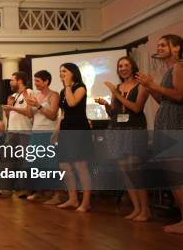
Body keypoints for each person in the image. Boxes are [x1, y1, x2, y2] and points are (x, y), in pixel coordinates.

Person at [137, 34, 183, 234]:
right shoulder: (171, 69)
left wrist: (154, 85)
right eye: (158, 45)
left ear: (177, 47)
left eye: (164, 45)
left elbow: (180, 95)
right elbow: (164, 101)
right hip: (168, 124)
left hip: (175, 126)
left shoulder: (179, 67)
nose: (160, 48)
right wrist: (150, 88)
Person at [97, 56, 150, 221]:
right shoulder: (118, 86)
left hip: (134, 129)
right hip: (117, 130)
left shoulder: (142, 85)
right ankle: (136, 209)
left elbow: (136, 108)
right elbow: (114, 112)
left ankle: (145, 210)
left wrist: (115, 93)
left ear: (133, 67)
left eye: (126, 65)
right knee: (125, 171)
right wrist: (107, 106)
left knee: (135, 170)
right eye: (120, 66)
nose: (123, 68)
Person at [55, 63, 93, 212]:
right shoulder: (64, 90)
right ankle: (72, 199)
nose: (61, 74)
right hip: (65, 130)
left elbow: (71, 103)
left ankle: (86, 202)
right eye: (60, 71)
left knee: (80, 165)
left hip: (79, 130)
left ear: (73, 72)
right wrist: (56, 131)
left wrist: (68, 85)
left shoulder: (80, 87)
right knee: (64, 165)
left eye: (64, 71)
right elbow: (63, 113)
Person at [25, 70, 60, 203]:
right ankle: (39, 191)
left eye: (38, 81)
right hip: (36, 132)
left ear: (46, 81)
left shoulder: (54, 95)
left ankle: (56, 195)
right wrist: (29, 103)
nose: (36, 83)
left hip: (48, 133)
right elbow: (29, 115)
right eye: (35, 81)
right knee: (35, 164)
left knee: (50, 164)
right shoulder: (36, 95)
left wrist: (38, 105)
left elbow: (52, 115)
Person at [1, 71, 33, 198]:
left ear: (20, 81)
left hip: (24, 132)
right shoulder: (13, 95)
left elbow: (29, 113)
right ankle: (6, 188)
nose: (10, 82)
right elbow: (10, 116)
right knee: (7, 160)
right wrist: (8, 108)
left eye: (12, 80)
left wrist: (12, 108)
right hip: (11, 132)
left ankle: (25, 189)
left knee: (23, 161)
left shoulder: (29, 93)